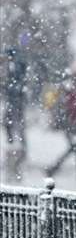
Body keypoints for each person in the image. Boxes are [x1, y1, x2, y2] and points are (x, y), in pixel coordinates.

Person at [45, 70, 76, 183]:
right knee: (75, 148)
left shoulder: (71, 87)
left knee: (75, 148)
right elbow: (73, 105)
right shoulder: (73, 88)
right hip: (71, 122)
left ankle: (55, 169)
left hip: (71, 122)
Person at [1, 46, 28, 181]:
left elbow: (13, 84)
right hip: (15, 100)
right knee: (14, 124)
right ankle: (17, 147)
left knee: (12, 123)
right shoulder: (16, 66)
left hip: (15, 100)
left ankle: (17, 147)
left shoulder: (14, 67)